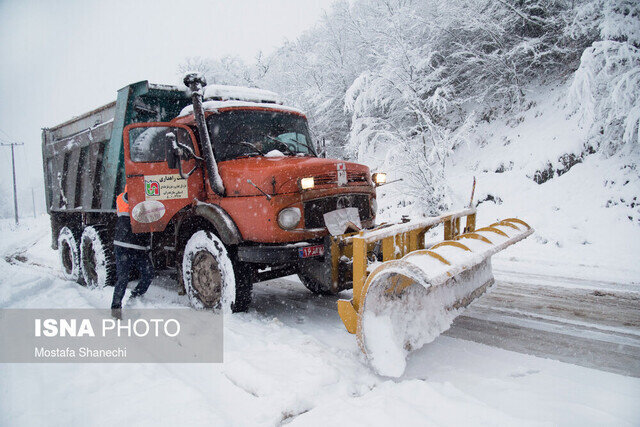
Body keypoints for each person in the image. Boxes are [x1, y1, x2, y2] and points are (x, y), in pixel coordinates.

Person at [111, 185, 154, 318]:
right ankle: (115, 309)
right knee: (123, 278)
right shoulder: (124, 198)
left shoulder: (142, 200)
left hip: (139, 247)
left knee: (148, 274)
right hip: (124, 246)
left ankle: (135, 296)